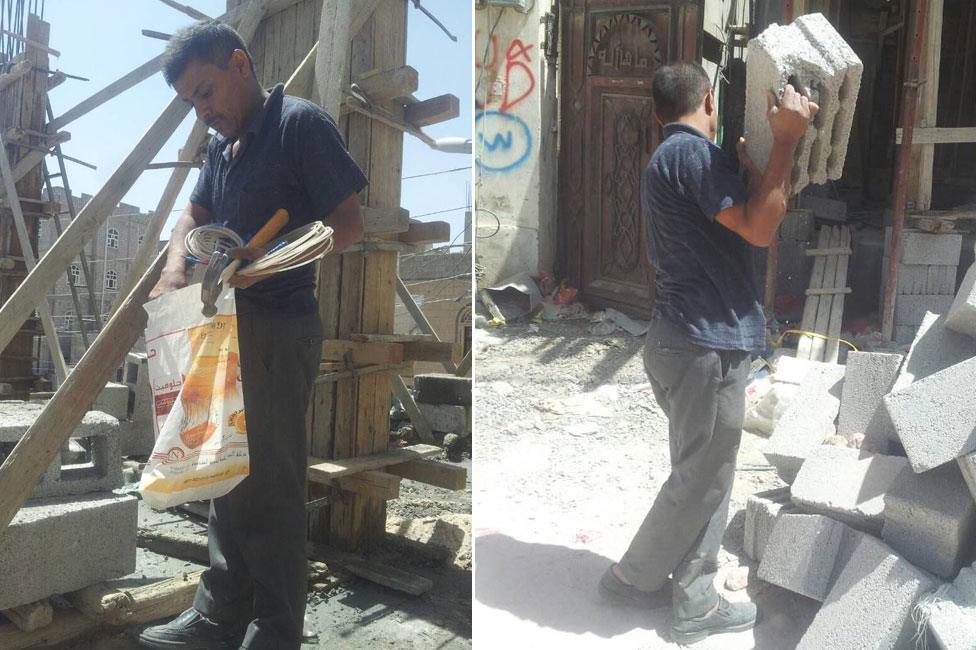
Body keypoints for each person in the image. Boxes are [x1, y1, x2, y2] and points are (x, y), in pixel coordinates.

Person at [139, 20, 366, 650]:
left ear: (241, 64)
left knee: (271, 481)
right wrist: (175, 264)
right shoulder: (223, 150)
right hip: (226, 331)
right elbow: (194, 211)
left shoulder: (299, 125)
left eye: (207, 93)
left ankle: (276, 627)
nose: (203, 111)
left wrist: (259, 264)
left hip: (278, 328)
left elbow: (346, 225)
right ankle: (219, 615)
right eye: (192, 103)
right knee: (222, 469)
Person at [597, 62, 817, 645]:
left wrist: (748, 167)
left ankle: (692, 596)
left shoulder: (679, 159)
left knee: (705, 475)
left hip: (689, 341)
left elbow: (732, 222)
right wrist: (787, 141)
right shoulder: (690, 155)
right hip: (701, 343)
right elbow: (761, 227)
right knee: (701, 479)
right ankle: (631, 578)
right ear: (710, 101)